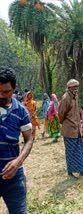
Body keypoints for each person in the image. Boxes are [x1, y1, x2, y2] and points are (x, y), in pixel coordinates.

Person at [0, 66, 33, 213]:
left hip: (14, 177)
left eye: (5, 92)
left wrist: (18, 161)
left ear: (14, 88)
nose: (1, 95)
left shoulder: (21, 111)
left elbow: (29, 139)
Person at [58, 79, 83, 178]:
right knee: (71, 151)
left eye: (77, 86)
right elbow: (61, 114)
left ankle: (81, 169)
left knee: (79, 149)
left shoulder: (75, 97)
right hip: (69, 129)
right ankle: (70, 172)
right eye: (75, 87)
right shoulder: (65, 98)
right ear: (69, 88)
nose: (77, 89)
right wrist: (66, 123)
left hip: (77, 129)